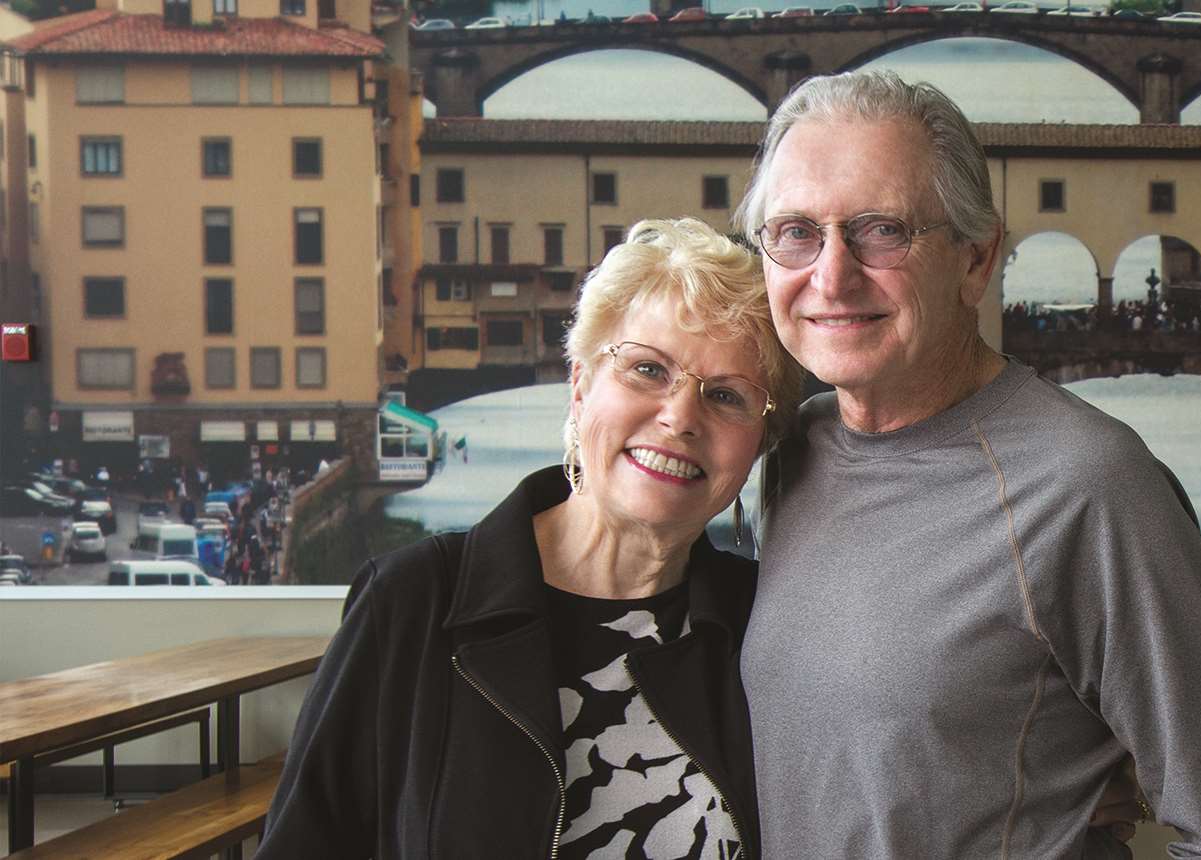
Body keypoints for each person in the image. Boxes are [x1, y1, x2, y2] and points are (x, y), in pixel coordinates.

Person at [735, 70, 1201, 858]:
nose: (831, 275)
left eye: (882, 230)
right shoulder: (785, 452)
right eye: (797, 231)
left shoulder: (1089, 483)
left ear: (977, 259)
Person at [262, 218, 801, 858]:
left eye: (727, 396)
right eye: (647, 369)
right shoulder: (410, 604)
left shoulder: (766, 626)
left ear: (759, 444)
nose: (680, 417)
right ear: (580, 388)